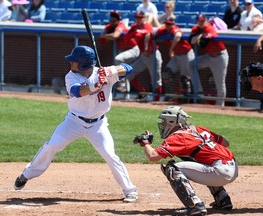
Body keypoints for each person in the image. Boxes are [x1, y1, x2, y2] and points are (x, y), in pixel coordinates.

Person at [13, 45, 138, 203]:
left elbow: (128, 68)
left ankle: (130, 190)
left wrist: (109, 71)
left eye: (73, 61)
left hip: (98, 125)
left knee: (110, 155)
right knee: (51, 146)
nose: (70, 63)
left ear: (84, 64)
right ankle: (26, 175)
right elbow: (78, 92)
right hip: (73, 122)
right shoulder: (71, 76)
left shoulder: (103, 72)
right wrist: (96, 85)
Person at [133, 106, 238, 216]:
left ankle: (195, 206)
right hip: (232, 167)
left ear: (172, 121)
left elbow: (153, 156)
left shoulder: (178, 137)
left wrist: (145, 143)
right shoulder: (198, 130)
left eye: (164, 121)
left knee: (172, 168)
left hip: (219, 171)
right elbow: (225, 143)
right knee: (202, 161)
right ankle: (223, 199)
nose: (162, 124)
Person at [154, 19, 203, 100]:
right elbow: (153, 33)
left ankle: (189, 98)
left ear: (173, 24)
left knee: (184, 78)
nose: (168, 26)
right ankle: (171, 95)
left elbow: (177, 36)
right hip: (176, 56)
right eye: (166, 24)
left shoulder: (175, 29)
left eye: (170, 24)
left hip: (186, 54)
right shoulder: (163, 30)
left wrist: (171, 49)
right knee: (167, 73)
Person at [189, 14, 229, 106]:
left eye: (203, 20)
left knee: (220, 83)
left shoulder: (209, 28)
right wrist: (200, 35)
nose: (201, 22)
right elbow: (190, 40)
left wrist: (198, 37)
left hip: (220, 57)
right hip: (209, 56)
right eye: (200, 21)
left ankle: (219, 106)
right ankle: (199, 92)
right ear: (197, 22)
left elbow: (203, 44)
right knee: (191, 65)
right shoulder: (197, 29)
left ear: (206, 21)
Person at [123, 12, 163, 101]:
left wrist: (137, 32)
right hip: (144, 56)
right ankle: (143, 93)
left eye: (140, 18)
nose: (138, 19)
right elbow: (126, 38)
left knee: (156, 80)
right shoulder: (134, 27)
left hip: (153, 55)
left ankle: (157, 101)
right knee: (129, 73)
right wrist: (133, 31)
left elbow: (147, 35)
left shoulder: (147, 25)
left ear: (144, 18)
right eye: (136, 17)